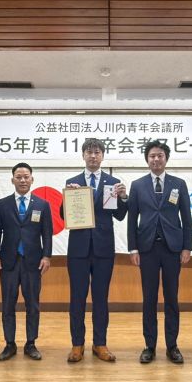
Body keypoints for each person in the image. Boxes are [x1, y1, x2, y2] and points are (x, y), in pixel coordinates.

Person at [128, 140, 192, 364]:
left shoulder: (179, 184)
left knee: (172, 297)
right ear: (147, 160)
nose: (156, 159)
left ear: (166, 159)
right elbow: (132, 219)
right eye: (152, 156)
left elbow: (187, 217)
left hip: (172, 248)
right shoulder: (137, 185)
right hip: (147, 249)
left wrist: (187, 247)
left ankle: (172, 346)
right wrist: (133, 248)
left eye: (160, 156)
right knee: (149, 298)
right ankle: (150, 345)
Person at [64, 138, 128, 363]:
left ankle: (100, 343)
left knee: (101, 298)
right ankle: (77, 344)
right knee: (77, 298)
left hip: (103, 249)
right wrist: (68, 198)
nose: (93, 156)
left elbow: (120, 215)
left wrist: (123, 197)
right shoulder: (72, 182)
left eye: (97, 152)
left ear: (102, 156)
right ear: (83, 155)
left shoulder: (113, 182)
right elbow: (64, 215)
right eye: (89, 152)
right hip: (78, 250)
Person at [0, 163, 52, 361]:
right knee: (8, 304)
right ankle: (9, 344)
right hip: (8, 262)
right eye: (19, 177)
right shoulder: (1, 204)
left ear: (32, 179)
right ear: (12, 180)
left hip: (33, 262)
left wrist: (47, 256)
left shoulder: (42, 205)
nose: (23, 180)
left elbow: (47, 233)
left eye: (26, 177)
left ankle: (31, 343)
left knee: (32, 304)